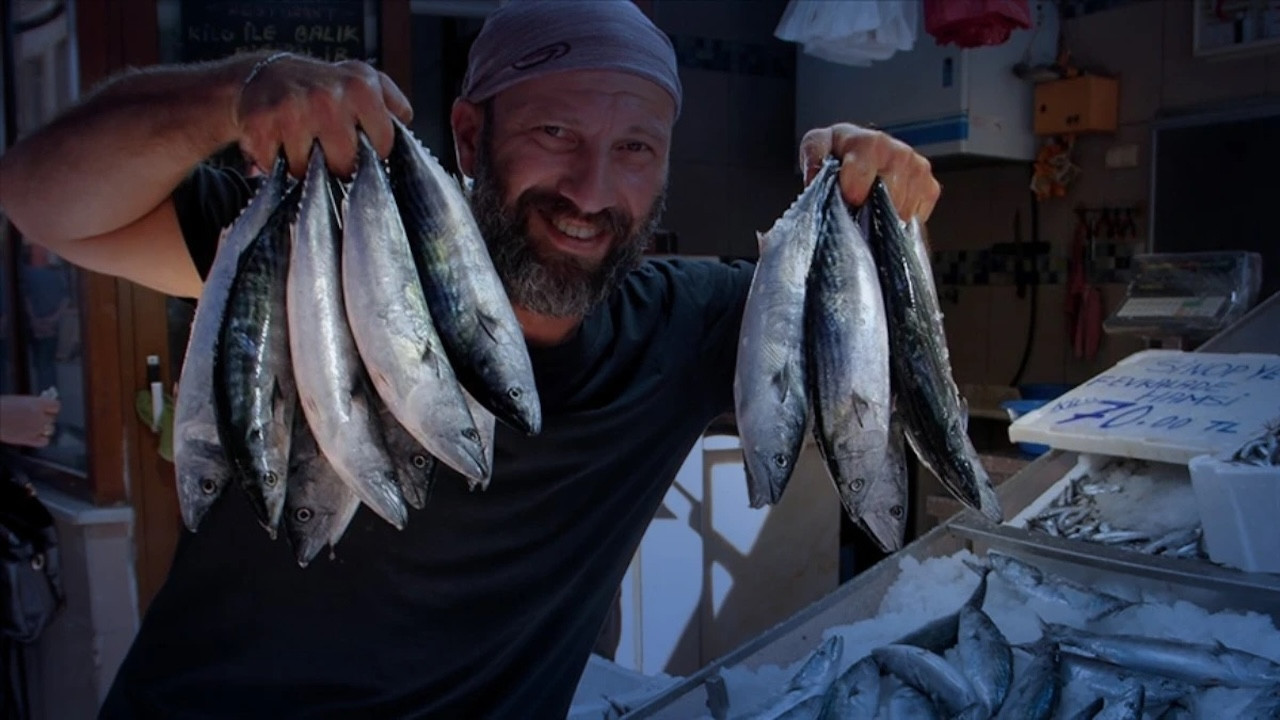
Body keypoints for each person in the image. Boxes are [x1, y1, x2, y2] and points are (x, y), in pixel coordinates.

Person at [0, 1, 940, 717]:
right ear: (465, 134)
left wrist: (886, 213)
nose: (590, 189)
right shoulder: (322, 257)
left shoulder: (692, 324)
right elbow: (42, 198)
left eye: (635, 149)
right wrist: (234, 97)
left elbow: (870, 360)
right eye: (553, 134)